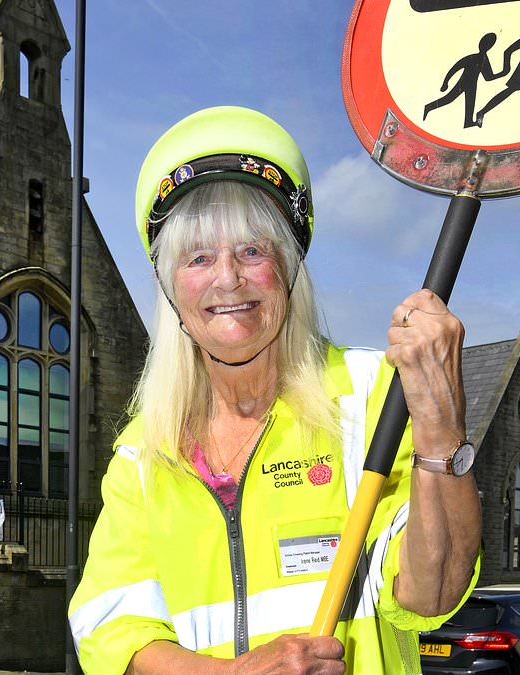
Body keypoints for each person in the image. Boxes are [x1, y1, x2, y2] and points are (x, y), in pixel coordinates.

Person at [68, 106, 482, 673]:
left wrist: (439, 418)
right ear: (171, 290)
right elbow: (114, 630)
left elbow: (430, 596)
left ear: (289, 268)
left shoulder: (370, 397)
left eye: (252, 251)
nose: (228, 278)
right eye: (198, 257)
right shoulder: (145, 453)